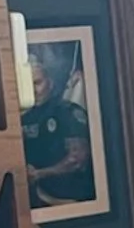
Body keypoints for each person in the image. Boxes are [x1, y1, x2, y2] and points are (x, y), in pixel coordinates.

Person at [22, 54, 94, 207]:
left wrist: (39, 174)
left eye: (37, 83)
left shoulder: (67, 111)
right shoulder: (23, 117)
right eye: (28, 84)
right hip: (37, 198)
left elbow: (77, 160)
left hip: (70, 201)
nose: (33, 90)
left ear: (50, 82)